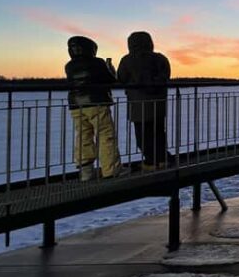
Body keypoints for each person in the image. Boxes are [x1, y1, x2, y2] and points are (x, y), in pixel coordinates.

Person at [65, 36, 122, 181]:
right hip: (96, 103)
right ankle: (111, 170)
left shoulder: (69, 66)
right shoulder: (97, 62)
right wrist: (111, 70)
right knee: (105, 134)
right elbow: (110, 80)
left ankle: (86, 172)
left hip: (76, 105)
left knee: (83, 135)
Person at [117, 31, 172, 171]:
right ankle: (162, 159)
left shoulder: (127, 60)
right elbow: (166, 76)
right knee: (159, 133)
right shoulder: (160, 59)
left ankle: (151, 162)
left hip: (138, 105)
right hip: (158, 104)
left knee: (143, 136)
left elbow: (121, 78)